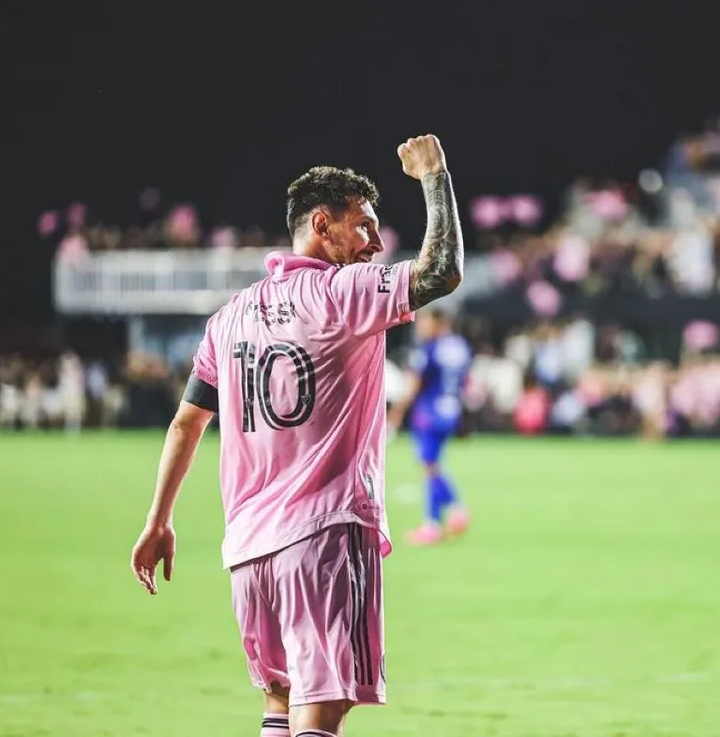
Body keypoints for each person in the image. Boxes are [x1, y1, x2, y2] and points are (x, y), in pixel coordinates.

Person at [129, 134, 463, 737]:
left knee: (279, 706)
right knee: (320, 713)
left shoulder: (228, 319)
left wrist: (159, 519)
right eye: (364, 226)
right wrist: (435, 176)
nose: (376, 243)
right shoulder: (341, 294)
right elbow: (441, 271)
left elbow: (188, 421)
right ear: (321, 224)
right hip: (325, 535)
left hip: (250, 550)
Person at [388, 309, 473, 545]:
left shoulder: (428, 349)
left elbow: (414, 383)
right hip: (451, 410)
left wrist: (397, 412)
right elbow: (465, 381)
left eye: (425, 321)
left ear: (438, 323)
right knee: (433, 465)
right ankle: (447, 515)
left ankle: (441, 518)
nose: (420, 325)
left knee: (429, 467)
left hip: (429, 412)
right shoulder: (460, 347)